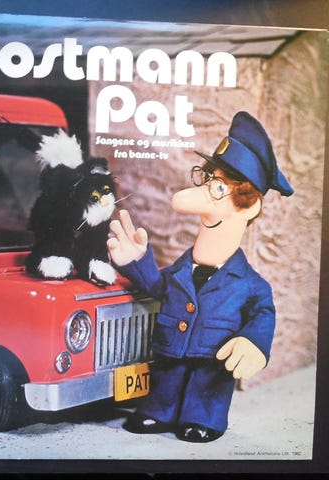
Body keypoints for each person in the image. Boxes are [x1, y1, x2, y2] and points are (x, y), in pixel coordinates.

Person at [107, 111, 294, 442]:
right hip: (170, 353)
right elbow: (158, 286)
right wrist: (136, 261)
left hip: (212, 364)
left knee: (207, 383)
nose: (207, 189)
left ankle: (203, 417)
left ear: (249, 206)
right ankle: (159, 411)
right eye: (208, 179)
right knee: (168, 378)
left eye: (218, 187)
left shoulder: (250, 285)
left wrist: (254, 344)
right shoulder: (182, 268)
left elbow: (262, 315)